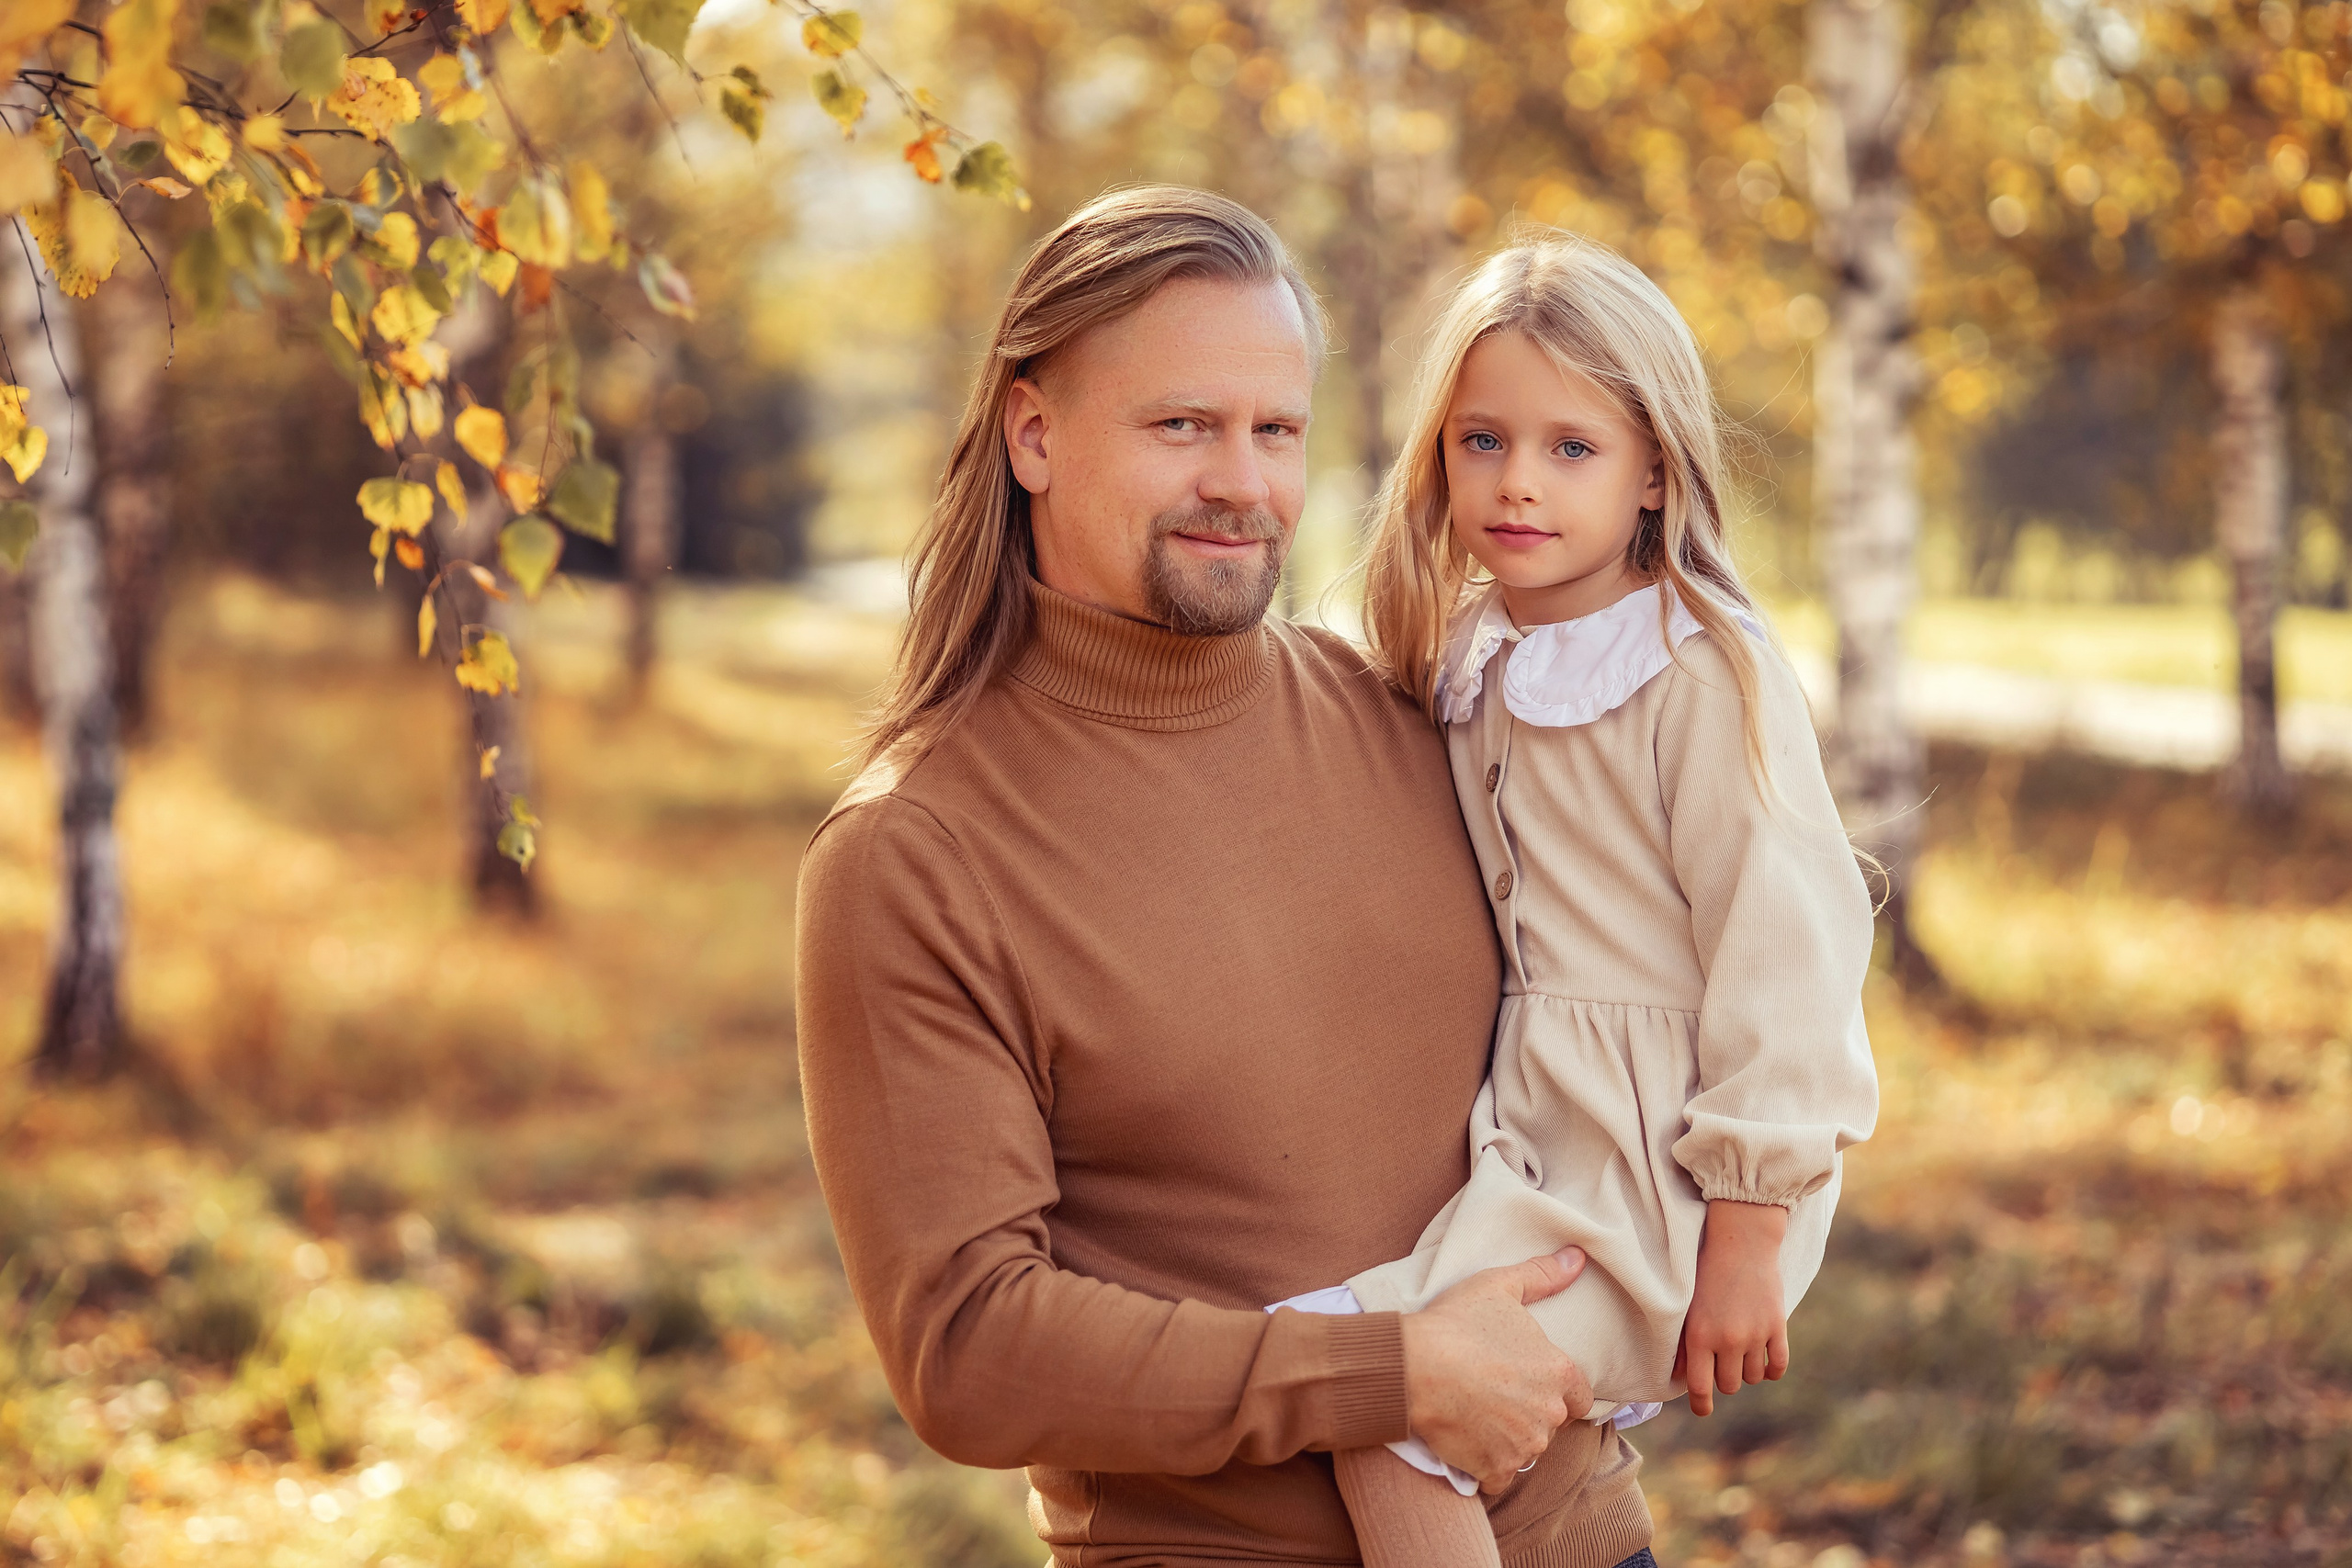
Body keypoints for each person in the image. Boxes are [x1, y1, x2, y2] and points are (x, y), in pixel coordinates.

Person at [795, 187, 1659, 1567]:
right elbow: (964, 1346)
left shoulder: (1404, 710)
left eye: (1277, 430)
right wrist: (1388, 1375)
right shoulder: (916, 855)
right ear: (1033, 433)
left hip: (1582, 1532)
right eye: (1183, 424)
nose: (1243, 484)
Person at [1274, 232, 1882, 1565]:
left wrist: (1745, 1237)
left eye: (1571, 448)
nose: (1518, 485)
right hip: (1541, 1135)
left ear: (1656, 467)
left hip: (1670, 1166)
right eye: (1482, 441)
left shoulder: (1697, 670)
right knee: (1342, 1364)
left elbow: (1787, 961)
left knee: (1395, 1402)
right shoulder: (1475, 645)